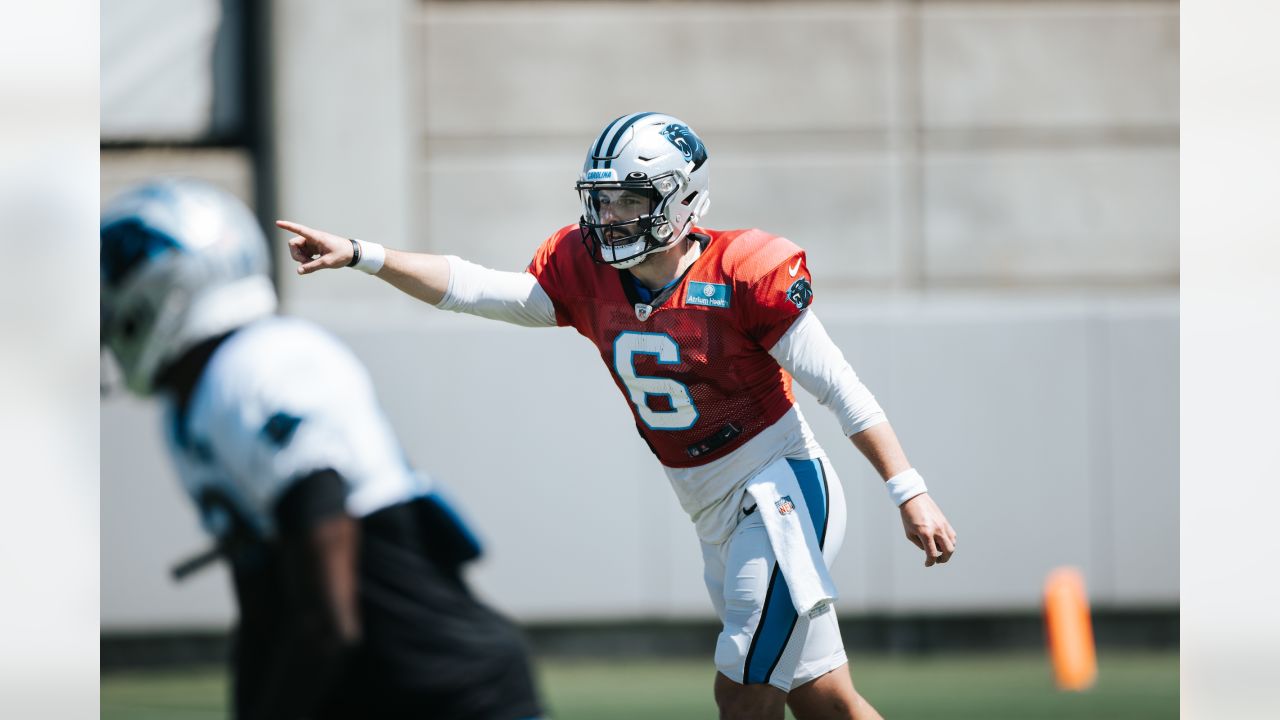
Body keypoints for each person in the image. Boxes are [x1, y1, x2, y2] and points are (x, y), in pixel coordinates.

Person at [279, 111, 958, 720]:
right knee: (826, 702)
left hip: (777, 491)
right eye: (603, 201)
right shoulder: (587, 271)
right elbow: (473, 287)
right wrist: (365, 256)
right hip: (711, 509)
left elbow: (840, 386)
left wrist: (909, 490)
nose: (610, 217)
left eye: (631, 200)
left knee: (742, 695)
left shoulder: (745, 272)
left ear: (680, 200)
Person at [101, 178, 545, 720]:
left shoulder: (262, 366)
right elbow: (270, 611)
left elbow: (327, 620)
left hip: (450, 694)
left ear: (164, 285)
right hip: (381, 690)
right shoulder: (191, 407)